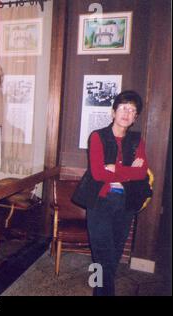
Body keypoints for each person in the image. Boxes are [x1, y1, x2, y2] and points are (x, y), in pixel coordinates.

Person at [73, 90, 150, 296]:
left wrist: (116, 169)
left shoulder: (136, 141)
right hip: (100, 202)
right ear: (113, 112)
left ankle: (98, 289)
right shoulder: (98, 136)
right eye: (123, 108)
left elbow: (142, 172)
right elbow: (98, 174)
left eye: (132, 110)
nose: (127, 113)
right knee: (102, 255)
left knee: (113, 255)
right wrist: (129, 172)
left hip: (126, 203)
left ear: (135, 118)